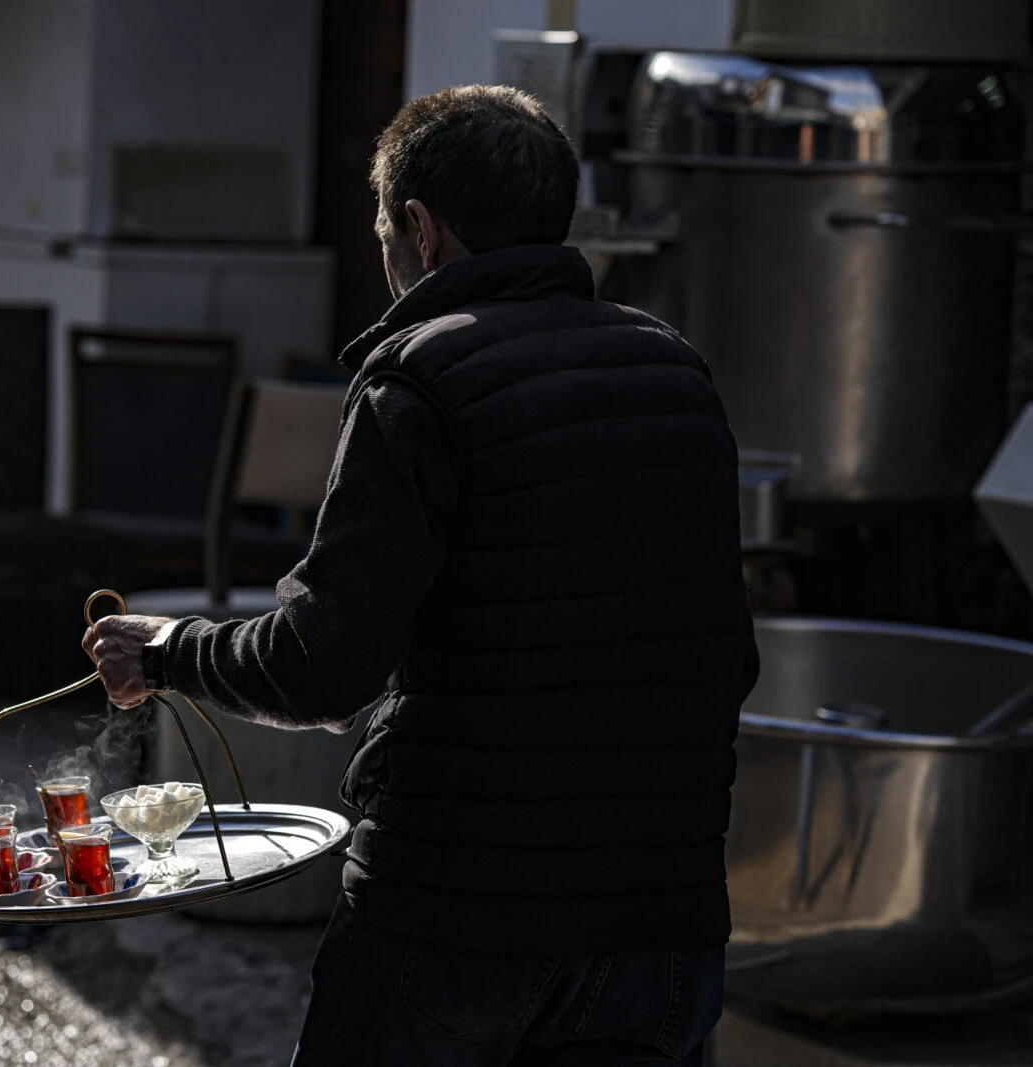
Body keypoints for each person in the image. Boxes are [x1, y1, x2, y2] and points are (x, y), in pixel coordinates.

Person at [82, 85, 758, 1066]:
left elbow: (324, 663)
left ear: (419, 229)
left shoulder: (420, 380)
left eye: (381, 231)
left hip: (455, 923)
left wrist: (171, 648)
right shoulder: (674, 368)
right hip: (660, 926)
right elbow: (719, 653)